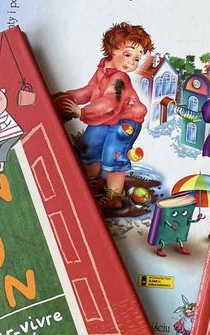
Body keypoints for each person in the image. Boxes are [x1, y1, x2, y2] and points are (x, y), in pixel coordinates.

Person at [53, 22, 152, 211]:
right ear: (112, 49)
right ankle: (92, 181)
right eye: (128, 54)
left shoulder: (121, 78)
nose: (131, 63)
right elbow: (90, 90)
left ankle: (114, 195)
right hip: (105, 117)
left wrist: (81, 112)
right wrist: (69, 97)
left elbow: (111, 103)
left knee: (113, 151)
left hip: (126, 121)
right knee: (89, 145)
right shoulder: (102, 70)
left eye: (137, 59)